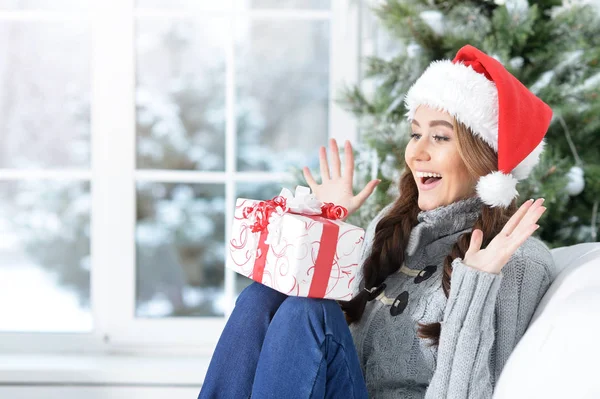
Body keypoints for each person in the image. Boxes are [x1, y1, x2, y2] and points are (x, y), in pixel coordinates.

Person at [198, 45, 555, 399]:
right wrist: (324, 232)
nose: (417, 151)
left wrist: (477, 284)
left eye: (441, 137)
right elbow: (328, 344)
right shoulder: (395, 226)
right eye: (416, 133)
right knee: (262, 298)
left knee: (308, 312)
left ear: (485, 158)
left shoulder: (516, 262)